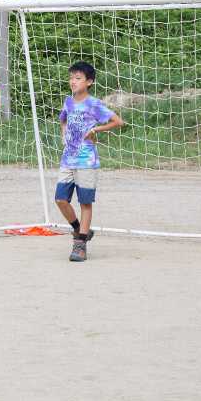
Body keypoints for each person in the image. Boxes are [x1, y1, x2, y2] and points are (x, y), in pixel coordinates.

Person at [55, 61, 124, 262]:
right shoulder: (68, 102)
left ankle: (80, 245)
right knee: (60, 199)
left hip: (86, 160)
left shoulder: (93, 104)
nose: (73, 82)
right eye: (71, 78)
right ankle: (79, 229)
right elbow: (63, 119)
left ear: (89, 82)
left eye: (78, 78)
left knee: (85, 203)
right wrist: (64, 136)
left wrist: (94, 130)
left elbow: (117, 121)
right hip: (68, 159)